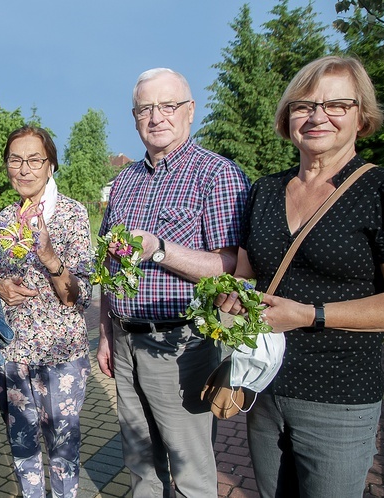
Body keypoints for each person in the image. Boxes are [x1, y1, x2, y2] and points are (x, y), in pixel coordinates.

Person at [214, 55, 384, 498]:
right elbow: (249, 277)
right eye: (303, 105)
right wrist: (229, 298)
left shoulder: (379, 190)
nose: (317, 117)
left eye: (336, 105)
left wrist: (310, 314)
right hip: (264, 384)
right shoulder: (266, 190)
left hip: (340, 394)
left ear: (362, 117)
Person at [96, 68, 250, 497]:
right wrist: (107, 331)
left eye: (168, 106)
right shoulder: (124, 182)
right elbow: (110, 265)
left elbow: (233, 265)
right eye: (146, 108)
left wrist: (161, 249)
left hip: (182, 344)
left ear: (190, 112)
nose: (156, 116)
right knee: (141, 465)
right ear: (134, 117)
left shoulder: (217, 175)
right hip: (126, 343)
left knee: (190, 473)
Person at [0, 126, 93, 498]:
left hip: (61, 354)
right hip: (13, 356)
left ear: (51, 166)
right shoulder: (2, 220)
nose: (24, 168)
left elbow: (79, 298)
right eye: (15, 160)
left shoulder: (72, 215)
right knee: (23, 449)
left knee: (63, 451)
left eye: (35, 159)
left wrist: (49, 257)